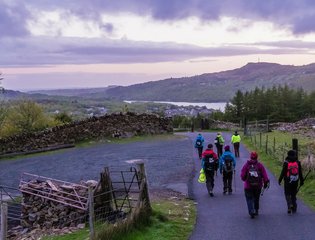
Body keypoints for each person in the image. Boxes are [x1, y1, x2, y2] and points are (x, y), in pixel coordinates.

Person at [241, 151, 269, 219]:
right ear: (257, 157)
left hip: (248, 186)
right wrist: (266, 182)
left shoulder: (246, 165)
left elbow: (242, 176)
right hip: (258, 185)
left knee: (249, 198)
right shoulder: (260, 165)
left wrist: (245, 180)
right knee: (256, 198)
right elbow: (265, 175)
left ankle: (251, 211)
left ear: (250, 157)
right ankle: (256, 210)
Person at [278, 150, 304, 214]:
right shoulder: (298, 162)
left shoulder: (286, 162)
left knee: (287, 193)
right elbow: (300, 172)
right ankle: (294, 208)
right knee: (293, 194)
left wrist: (280, 179)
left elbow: (283, 172)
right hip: (295, 181)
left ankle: (289, 205)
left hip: (288, 181)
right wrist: (301, 181)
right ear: (294, 155)